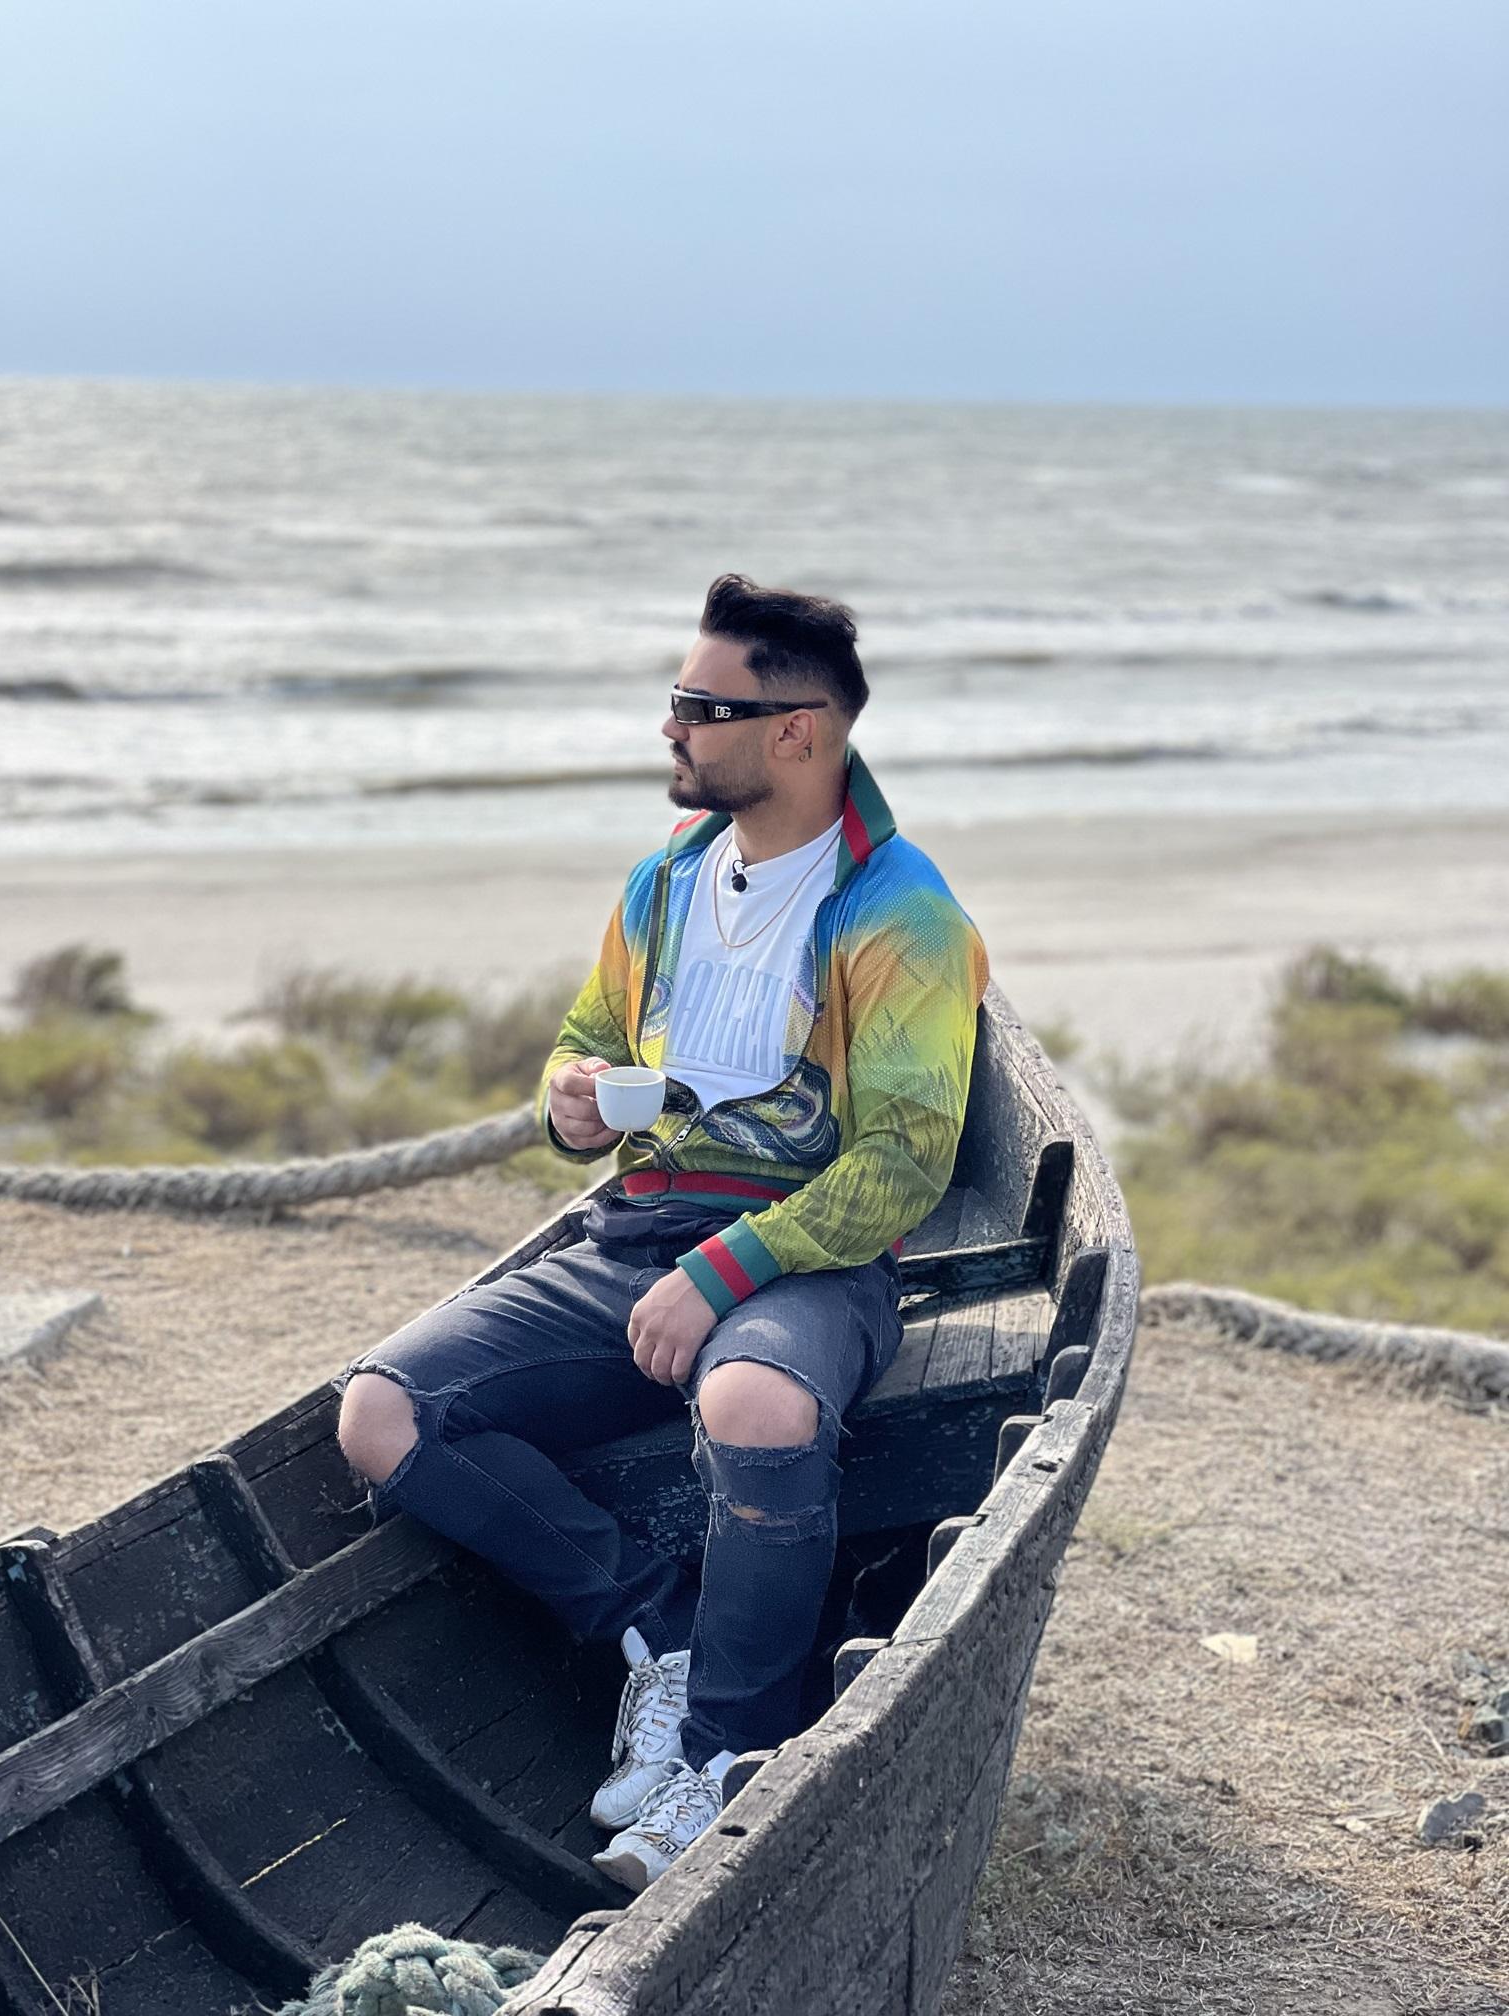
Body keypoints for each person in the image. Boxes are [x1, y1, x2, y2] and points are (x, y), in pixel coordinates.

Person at [334, 573, 990, 1891]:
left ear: (796, 731)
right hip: (635, 1237)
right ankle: (664, 1628)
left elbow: (905, 1162)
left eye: (701, 706)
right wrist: (570, 1102)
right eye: (676, 700)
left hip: (809, 1259)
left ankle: (727, 1757)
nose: (672, 727)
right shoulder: (669, 878)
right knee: (384, 1413)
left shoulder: (901, 913)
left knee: (755, 1401)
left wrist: (725, 1271)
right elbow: (586, 1036)